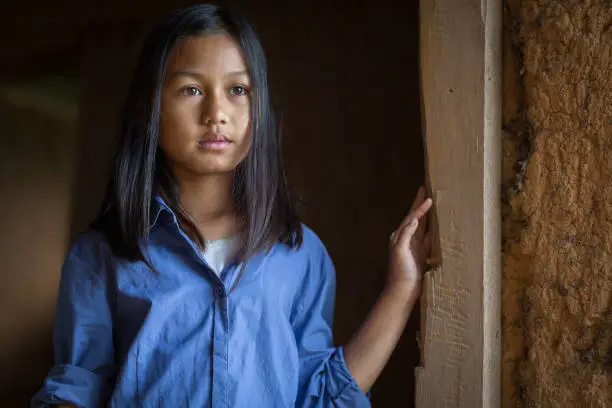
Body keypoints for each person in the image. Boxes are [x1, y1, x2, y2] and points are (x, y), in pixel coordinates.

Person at [32, 3, 433, 407]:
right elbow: (76, 389)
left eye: (238, 90)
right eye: (191, 90)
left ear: (259, 110)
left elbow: (321, 395)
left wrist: (402, 288)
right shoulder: (101, 255)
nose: (216, 114)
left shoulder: (301, 254)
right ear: (147, 106)